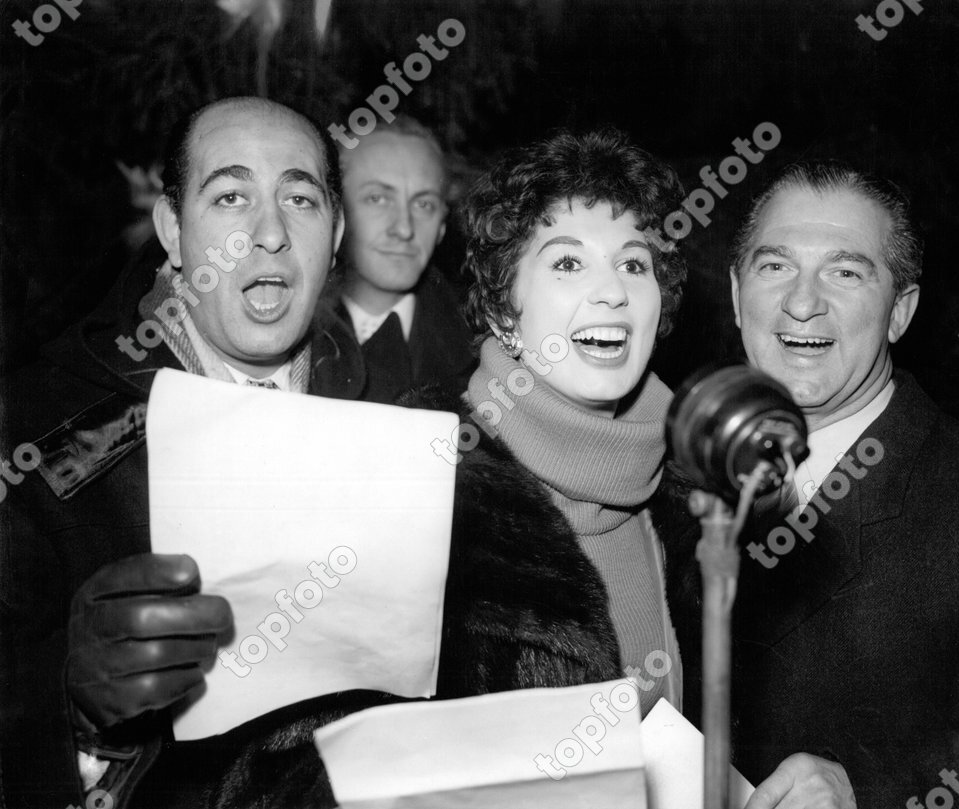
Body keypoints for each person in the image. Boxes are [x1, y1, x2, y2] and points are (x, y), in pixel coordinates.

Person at [199, 128, 696, 809]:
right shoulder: (411, 482)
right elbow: (273, 777)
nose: (611, 291)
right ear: (503, 309)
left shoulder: (695, 504)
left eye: (634, 264)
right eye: (568, 264)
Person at [0, 96, 350, 808]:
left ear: (336, 232)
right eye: (230, 196)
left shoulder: (407, 420)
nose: (270, 232)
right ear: (172, 229)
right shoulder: (35, 434)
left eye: (301, 199)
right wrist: (69, 715)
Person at [703, 160, 959, 808]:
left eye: (845, 272)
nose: (802, 301)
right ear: (738, 297)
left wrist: (871, 793)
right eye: (775, 266)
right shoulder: (664, 479)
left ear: (901, 311)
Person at [316, 115, 475, 404]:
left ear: (442, 226)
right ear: (335, 212)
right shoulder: (284, 336)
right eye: (377, 198)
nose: (404, 228)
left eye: (424, 204)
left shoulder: (485, 354)